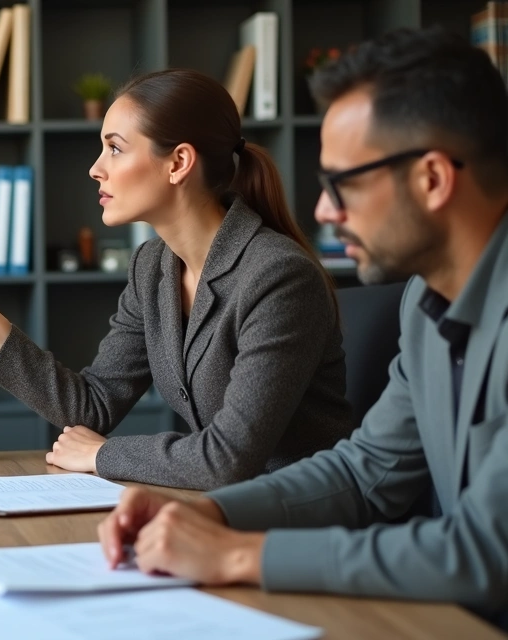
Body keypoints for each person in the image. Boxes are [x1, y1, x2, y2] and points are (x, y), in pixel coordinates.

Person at [97, 26, 508, 630]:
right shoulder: (427, 301)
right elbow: (366, 473)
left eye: (344, 184)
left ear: (432, 179)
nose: (323, 211)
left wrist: (238, 552)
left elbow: (486, 553)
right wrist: (211, 515)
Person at [0, 68, 353, 491]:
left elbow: (228, 457)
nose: (96, 168)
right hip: (222, 505)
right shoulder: (153, 266)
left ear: (178, 163)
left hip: (303, 511)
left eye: (114, 148)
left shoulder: (277, 276)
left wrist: (102, 456)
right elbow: (92, 407)